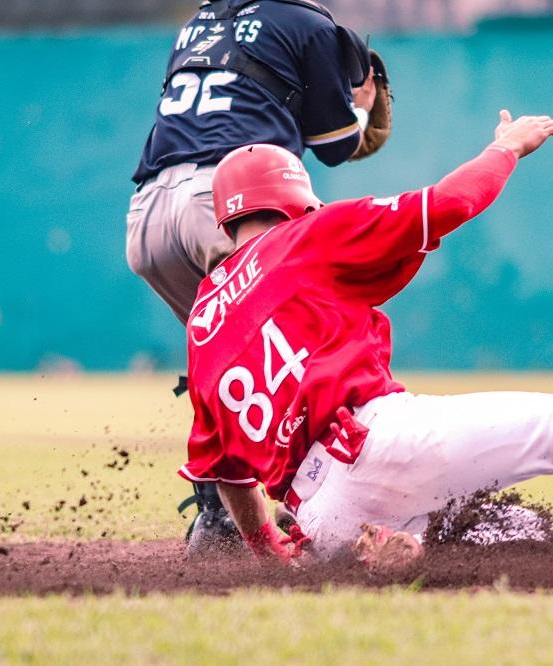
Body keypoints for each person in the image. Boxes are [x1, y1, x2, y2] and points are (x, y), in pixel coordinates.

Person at [179, 110, 553, 567]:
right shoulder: (305, 236)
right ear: (295, 199)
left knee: (523, 533)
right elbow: (451, 201)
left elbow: (226, 474)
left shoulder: (202, 322)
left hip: (323, 516)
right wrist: (506, 147)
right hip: (375, 446)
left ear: (228, 219)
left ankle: (393, 549)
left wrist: (268, 552)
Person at [125, 0, 389, 549]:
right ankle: (332, 499)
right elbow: (339, 146)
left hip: (148, 217)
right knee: (317, 344)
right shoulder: (311, 23)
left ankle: (219, 516)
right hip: (228, 204)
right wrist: (357, 104)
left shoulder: (198, 21)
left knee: (225, 360)